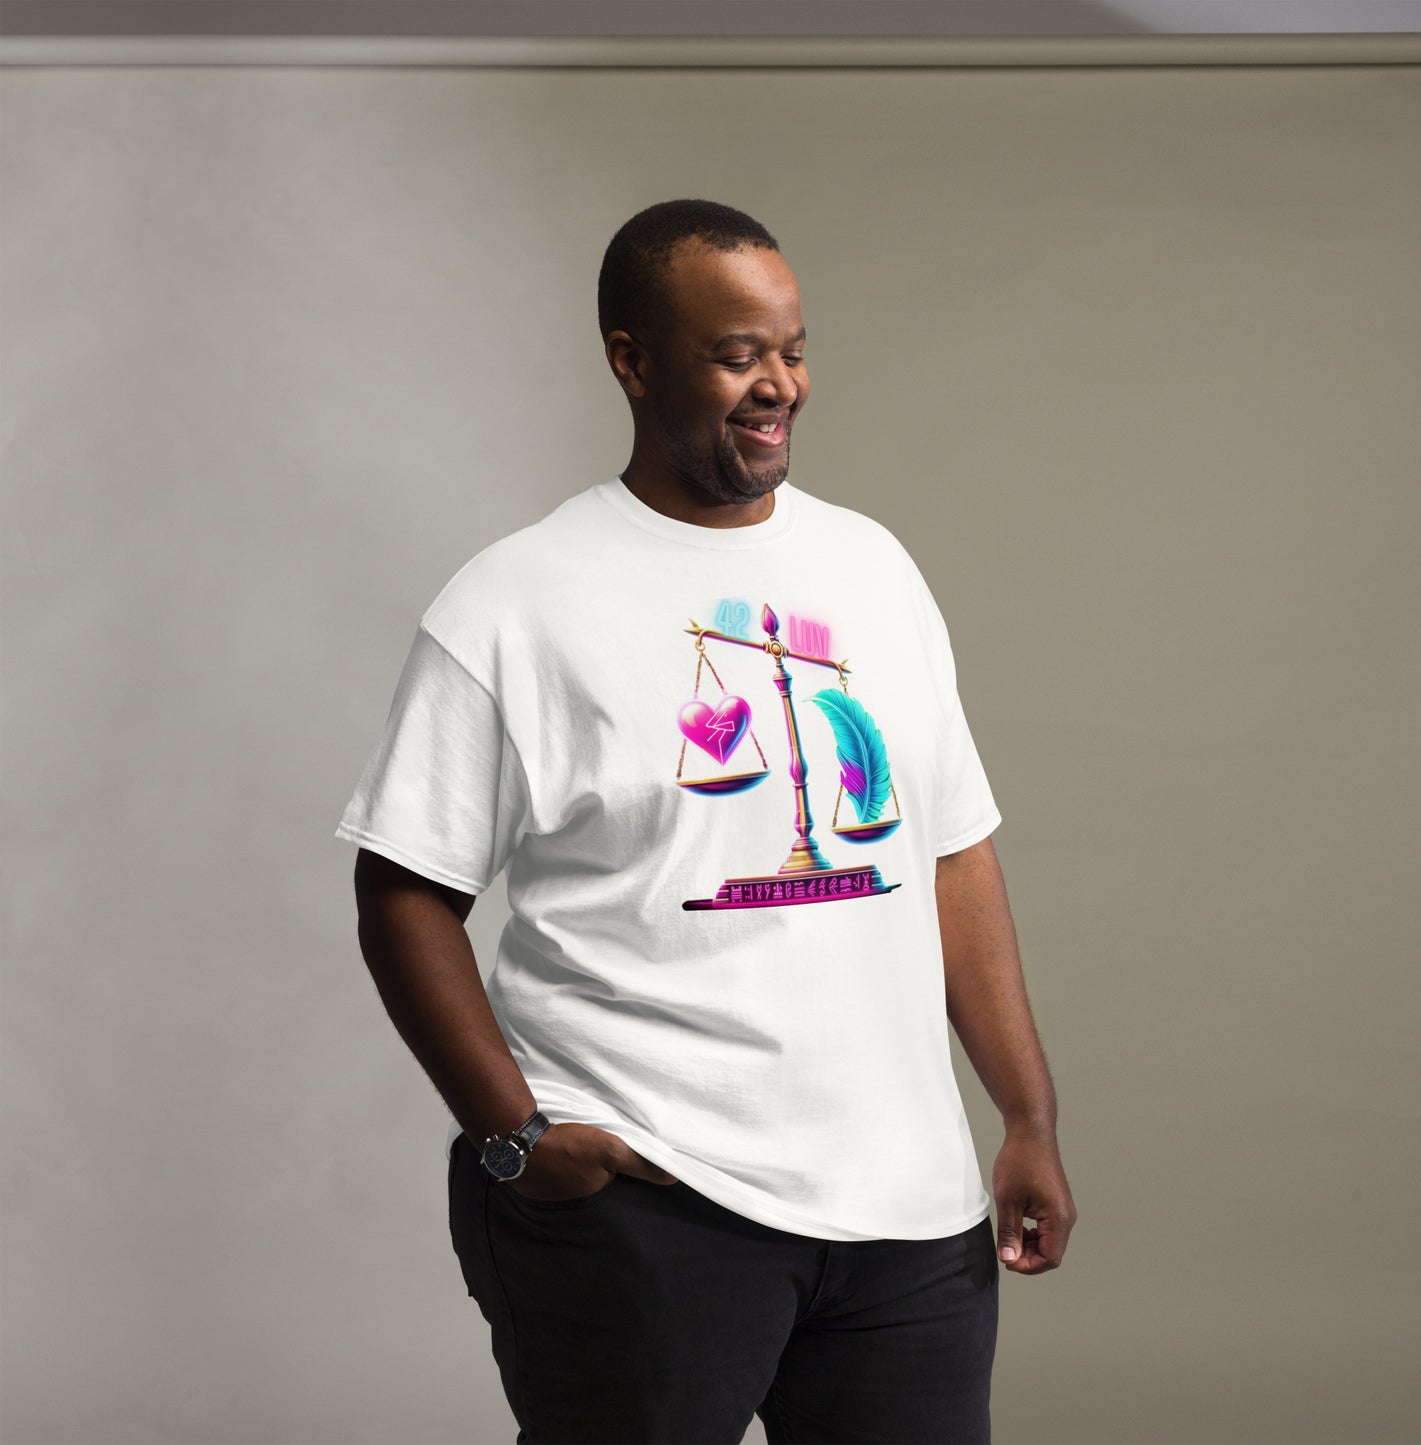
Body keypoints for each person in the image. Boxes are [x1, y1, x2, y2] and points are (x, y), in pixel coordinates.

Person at [337, 197, 1076, 1445]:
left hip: (905, 1214)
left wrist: (1025, 1117)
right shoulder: (516, 601)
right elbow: (403, 888)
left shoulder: (873, 568)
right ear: (632, 359)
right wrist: (515, 1138)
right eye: (737, 354)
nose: (776, 383)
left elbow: (950, 850)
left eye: (790, 349)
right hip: (651, 1204)